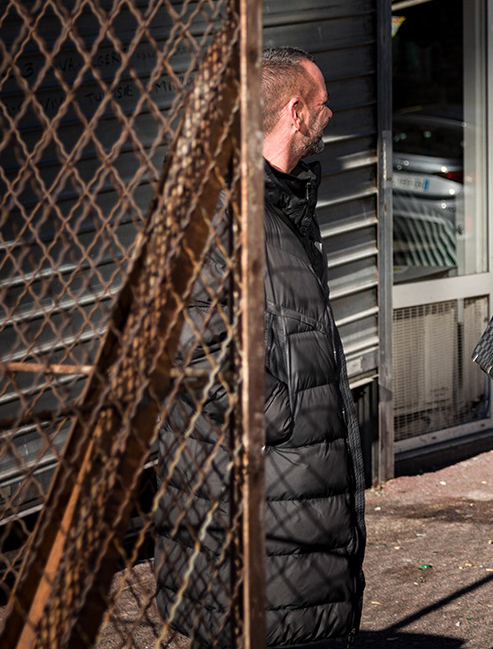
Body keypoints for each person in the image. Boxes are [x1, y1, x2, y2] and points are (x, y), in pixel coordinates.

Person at [154, 47, 365, 647]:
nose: (331, 115)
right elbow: (193, 355)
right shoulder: (214, 209)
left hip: (292, 493)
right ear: (295, 112)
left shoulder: (282, 197)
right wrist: (286, 414)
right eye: (323, 105)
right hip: (253, 499)